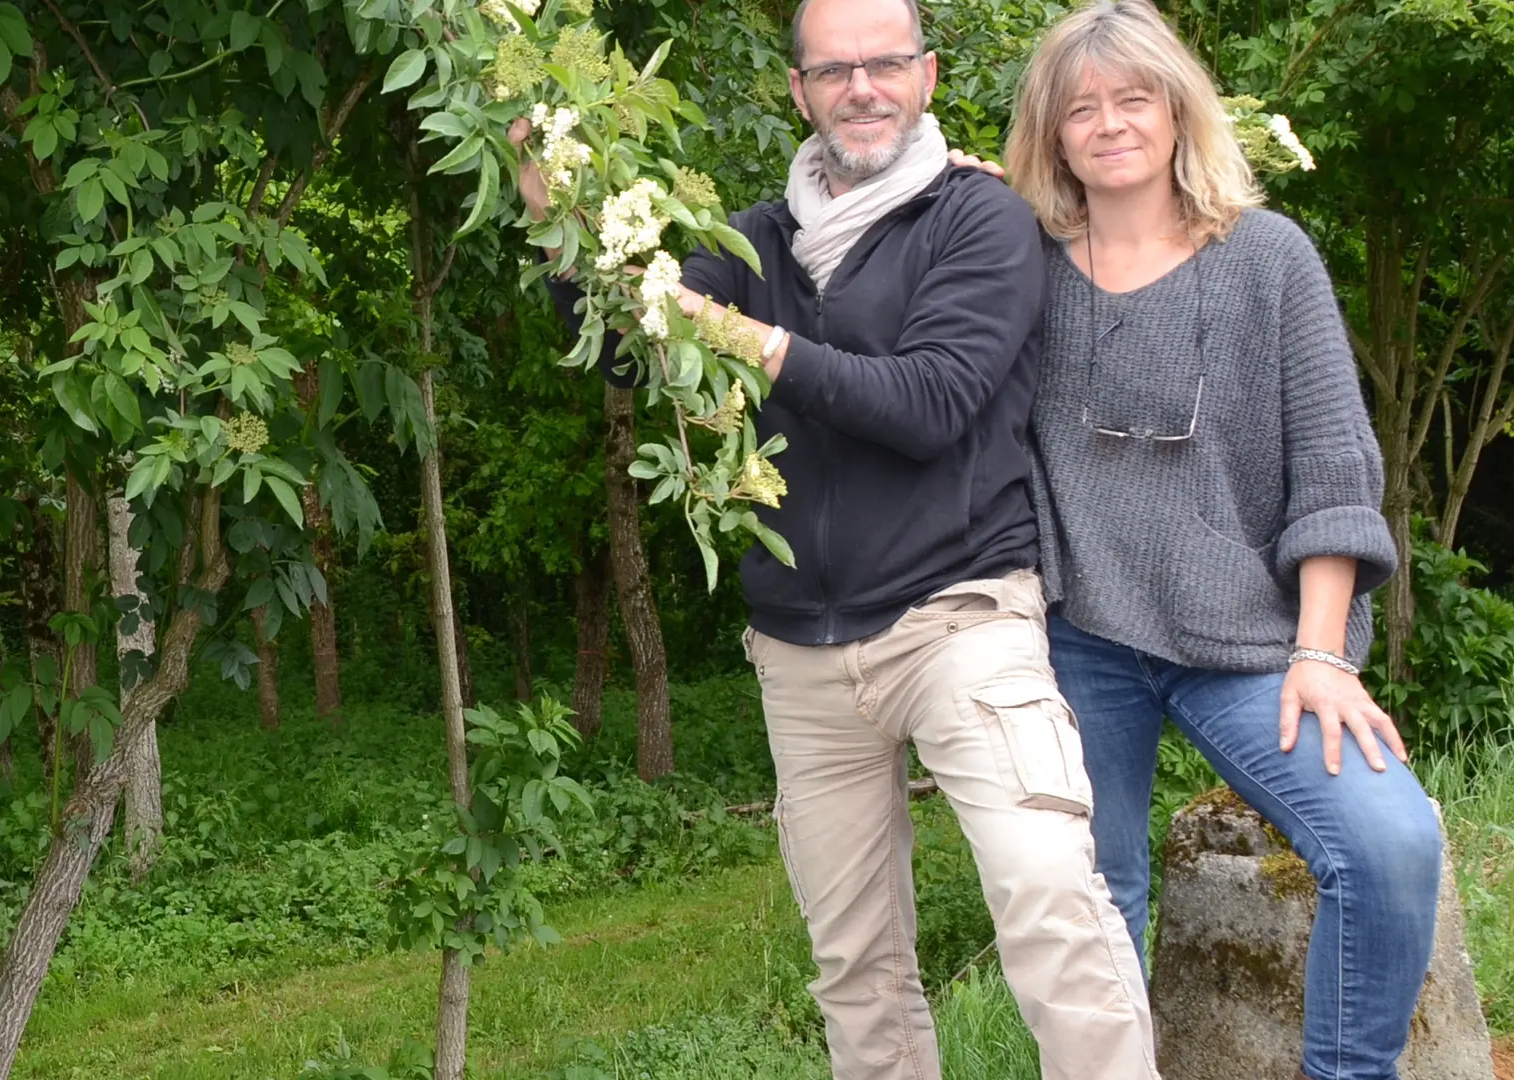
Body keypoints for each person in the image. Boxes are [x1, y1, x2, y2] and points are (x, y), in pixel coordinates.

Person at [512, 1, 1159, 1077]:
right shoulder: (753, 240)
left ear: (928, 76)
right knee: (854, 964)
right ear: (799, 90)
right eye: (835, 69)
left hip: (961, 622)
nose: (862, 87)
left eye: (886, 64)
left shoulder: (981, 222)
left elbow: (931, 401)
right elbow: (635, 353)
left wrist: (749, 343)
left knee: (1051, 898)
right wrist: (562, 224)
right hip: (801, 656)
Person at [961, 2, 1442, 1077]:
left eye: (1135, 97)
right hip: (1081, 638)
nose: (1111, 123)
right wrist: (963, 201)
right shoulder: (1021, 267)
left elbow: (1333, 469)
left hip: (1253, 643)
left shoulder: (1269, 258)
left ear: (1180, 111)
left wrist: (1321, 653)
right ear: (1051, 131)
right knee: (1092, 889)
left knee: (1391, 844)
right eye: (1080, 107)